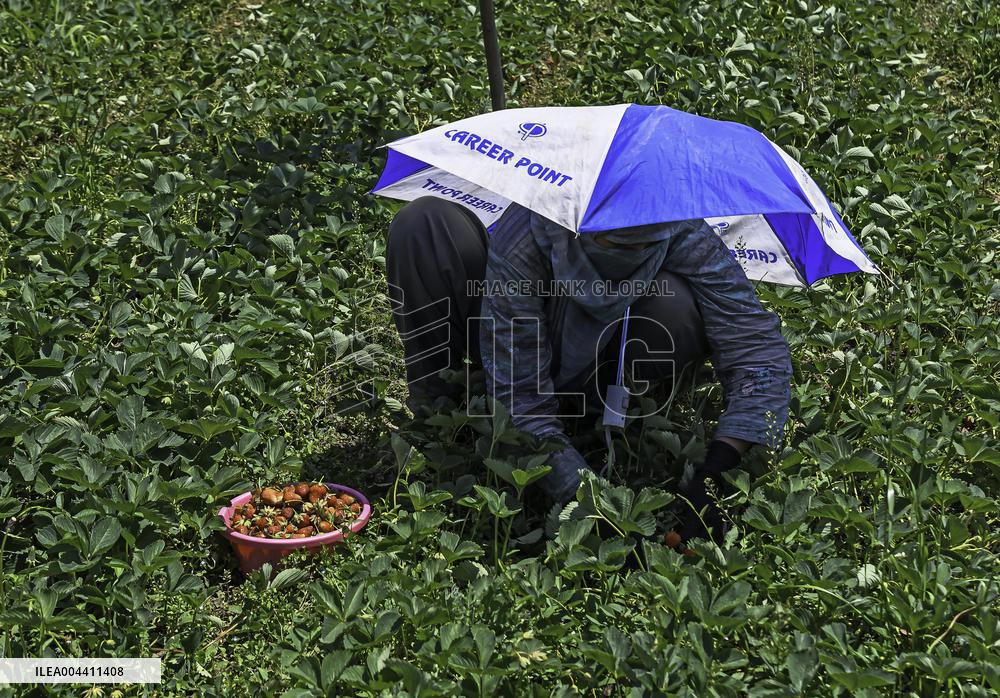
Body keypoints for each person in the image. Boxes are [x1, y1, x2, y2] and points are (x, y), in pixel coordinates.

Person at [385, 195, 792, 546]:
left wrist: (719, 465)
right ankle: (443, 417)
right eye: (611, 242)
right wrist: (591, 502)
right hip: (501, 345)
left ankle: (601, 415)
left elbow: (754, 344)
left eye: (641, 247)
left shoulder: (678, 228)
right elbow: (521, 397)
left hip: (602, 360)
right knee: (425, 223)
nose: (626, 255)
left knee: (678, 305)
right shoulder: (529, 228)